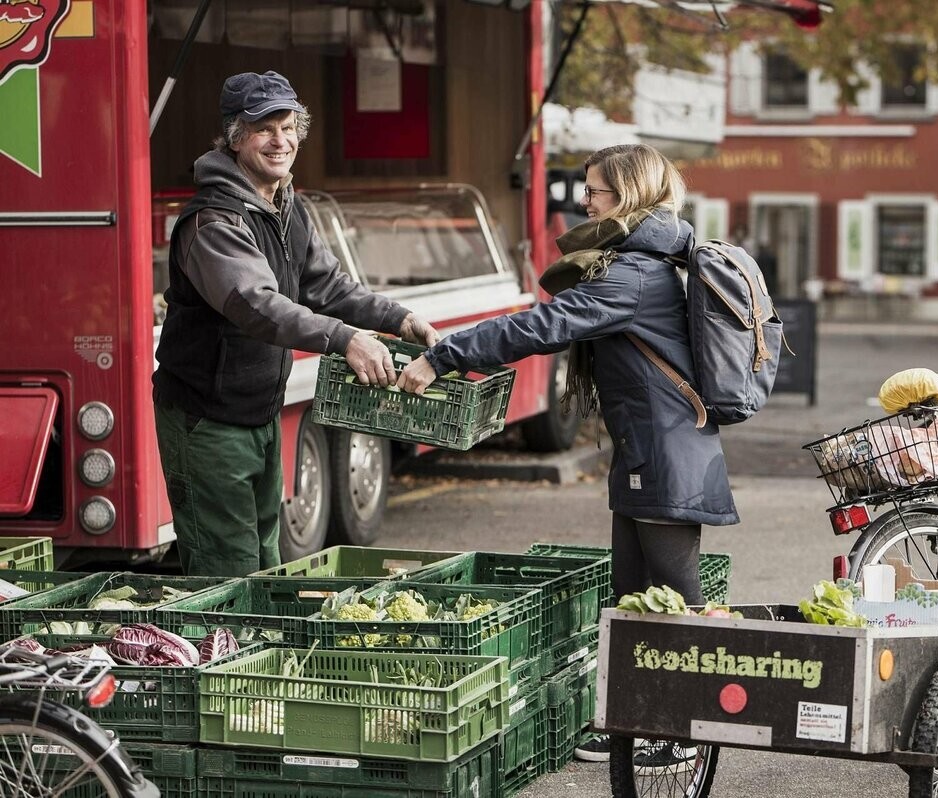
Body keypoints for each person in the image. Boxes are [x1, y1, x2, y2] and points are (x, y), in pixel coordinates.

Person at [398, 143, 739, 767]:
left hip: (669, 455)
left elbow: (541, 326)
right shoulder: (639, 260)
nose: (584, 202)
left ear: (629, 197)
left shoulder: (633, 275)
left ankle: (684, 736)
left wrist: (443, 354)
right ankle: (636, 726)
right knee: (633, 598)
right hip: (648, 450)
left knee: (675, 601)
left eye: (596, 193)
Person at [153, 71, 438, 577]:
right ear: (236, 137)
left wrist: (400, 319)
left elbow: (325, 285)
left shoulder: (286, 205)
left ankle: (254, 654)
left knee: (265, 560)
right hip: (206, 420)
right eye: (265, 129)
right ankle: (222, 653)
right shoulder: (213, 220)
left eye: (288, 126)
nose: (280, 140)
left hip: (259, 412)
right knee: (228, 570)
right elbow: (256, 304)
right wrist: (343, 338)